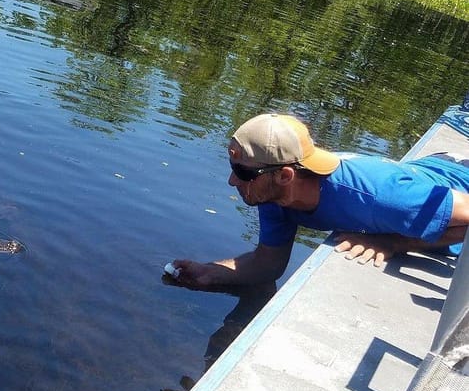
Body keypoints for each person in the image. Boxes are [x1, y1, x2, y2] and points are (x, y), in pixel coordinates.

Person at [168, 113, 469, 288]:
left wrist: (393, 243)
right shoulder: (275, 197)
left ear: (285, 175)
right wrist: (209, 272)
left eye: (242, 171)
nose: (232, 181)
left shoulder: (380, 198)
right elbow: (267, 264)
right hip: (430, 169)